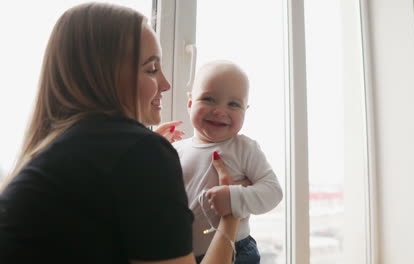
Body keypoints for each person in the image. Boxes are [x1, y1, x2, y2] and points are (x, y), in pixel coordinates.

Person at [0, 3, 239, 264]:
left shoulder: (56, 154)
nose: (166, 84)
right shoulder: (139, 152)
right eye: (151, 69)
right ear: (105, 76)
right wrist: (230, 216)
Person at [173, 61, 283, 264]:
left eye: (233, 104)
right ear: (190, 103)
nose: (219, 111)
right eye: (208, 99)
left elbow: (273, 192)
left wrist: (234, 199)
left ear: (245, 110)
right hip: (185, 254)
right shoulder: (177, 150)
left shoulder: (244, 148)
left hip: (236, 251)